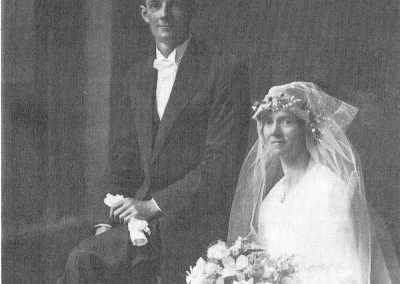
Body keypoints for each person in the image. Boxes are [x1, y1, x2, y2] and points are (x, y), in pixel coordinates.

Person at [58, 0, 250, 283]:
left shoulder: (225, 71)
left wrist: (151, 206)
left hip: (193, 220)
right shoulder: (136, 77)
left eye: (174, 4)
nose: (164, 14)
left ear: (191, 9)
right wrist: (104, 224)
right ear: (143, 13)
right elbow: (123, 161)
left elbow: (221, 166)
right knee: (89, 258)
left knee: (84, 260)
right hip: (143, 226)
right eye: (156, 5)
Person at [228, 82, 400, 283]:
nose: (275, 131)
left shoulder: (329, 190)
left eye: (286, 121)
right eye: (268, 121)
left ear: (306, 128)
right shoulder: (270, 201)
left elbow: (350, 273)